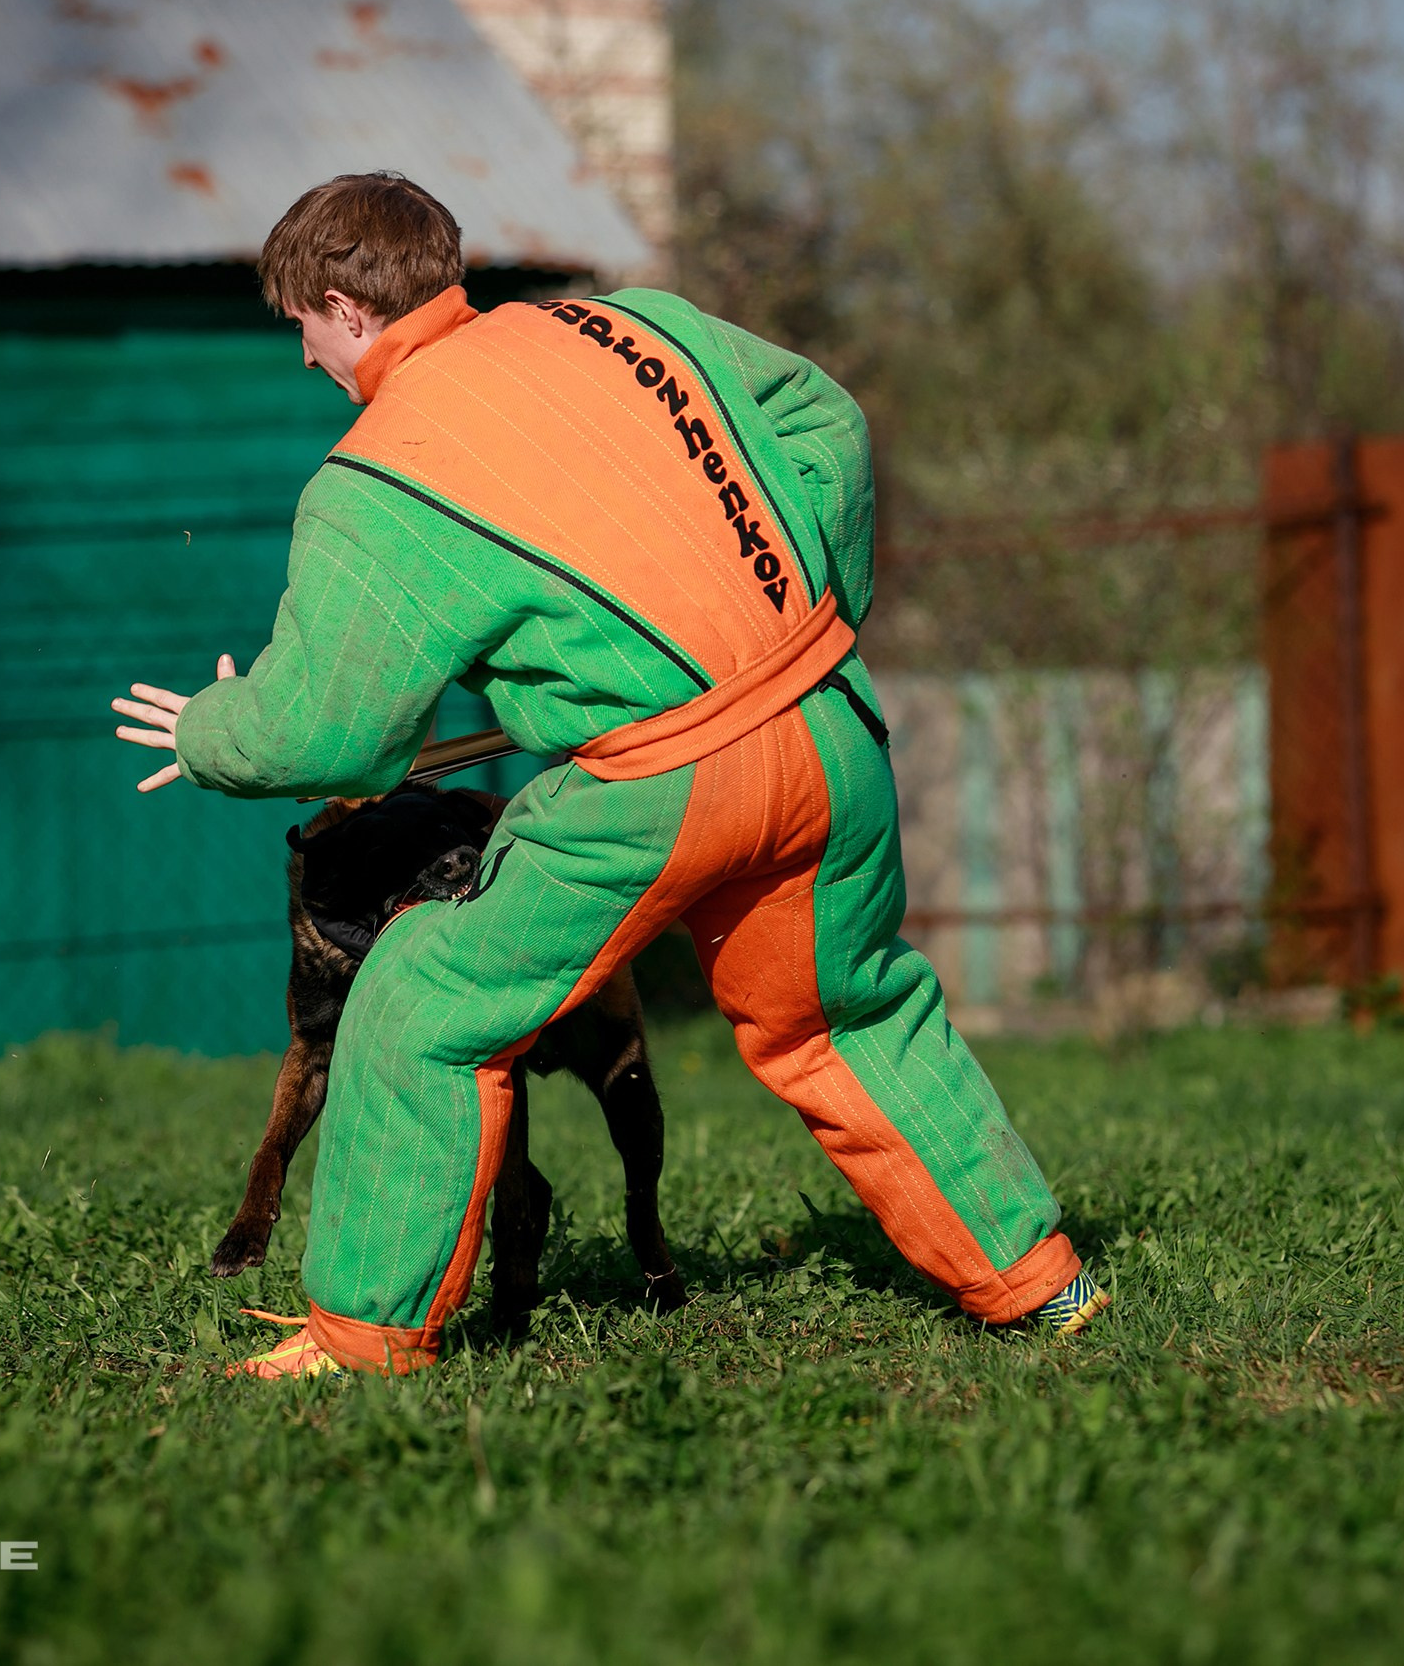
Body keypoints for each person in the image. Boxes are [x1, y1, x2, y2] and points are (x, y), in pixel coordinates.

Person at [112, 172, 1105, 1379]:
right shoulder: (635, 324)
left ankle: (365, 1337)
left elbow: (326, 739)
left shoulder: (375, 480)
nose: (308, 362)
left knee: (422, 1002)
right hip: (833, 729)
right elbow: (826, 421)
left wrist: (209, 732)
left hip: (661, 784)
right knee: (845, 1014)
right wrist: (817, 608)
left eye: (302, 331)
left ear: (344, 306)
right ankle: (1035, 1284)